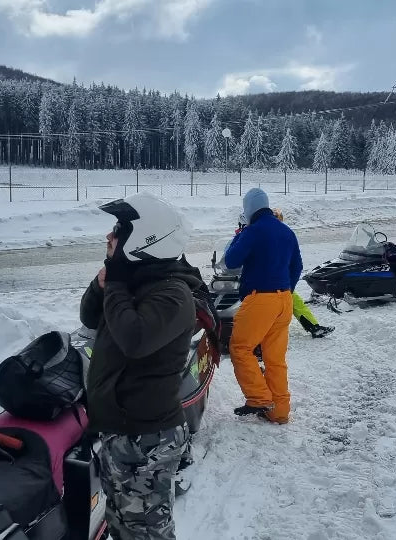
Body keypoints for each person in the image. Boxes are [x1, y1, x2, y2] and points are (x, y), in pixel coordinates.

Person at [79, 192, 202, 540]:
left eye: (118, 229)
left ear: (147, 238)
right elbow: (90, 318)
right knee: (120, 526)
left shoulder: (172, 293)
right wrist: (101, 284)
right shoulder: (134, 281)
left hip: (148, 439)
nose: (109, 237)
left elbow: (134, 339)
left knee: (147, 534)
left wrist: (116, 281)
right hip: (121, 433)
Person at [224, 188, 302, 424]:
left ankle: (258, 398)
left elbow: (230, 261)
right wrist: (286, 290)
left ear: (248, 209)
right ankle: (279, 412)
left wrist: (240, 234)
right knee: (274, 357)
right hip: (284, 299)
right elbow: (296, 267)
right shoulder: (287, 231)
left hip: (261, 299)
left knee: (240, 348)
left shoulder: (253, 231)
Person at [234, 209, 333, 339]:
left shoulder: (260, 234)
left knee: (295, 301)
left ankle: (313, 326)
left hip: (271, 282)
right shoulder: (246, 236)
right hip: (251, 282)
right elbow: (229, 260)